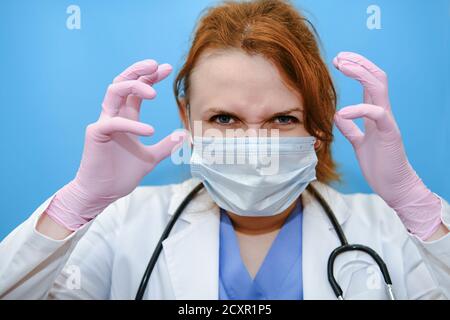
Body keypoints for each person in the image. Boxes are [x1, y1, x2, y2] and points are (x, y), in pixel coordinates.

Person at [0, 0, 448, 300]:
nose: (254, 148)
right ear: (185, 119)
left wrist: (416, 205)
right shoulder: (123, 227)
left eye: (282, 119)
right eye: (224, 119)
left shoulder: (390, 232)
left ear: (318, 124)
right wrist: (77, 204)